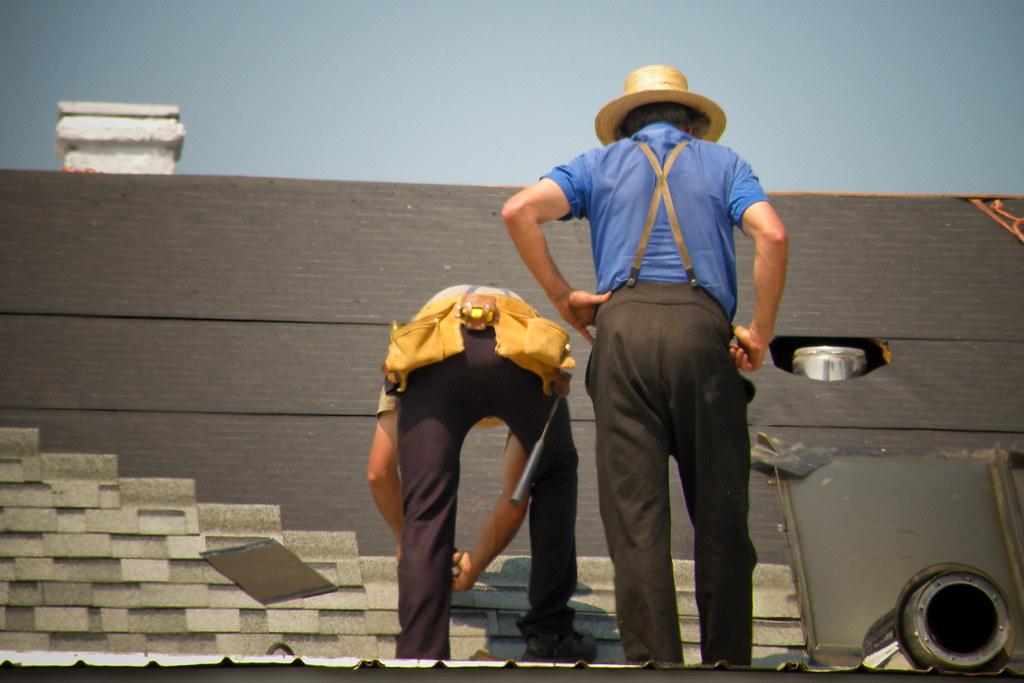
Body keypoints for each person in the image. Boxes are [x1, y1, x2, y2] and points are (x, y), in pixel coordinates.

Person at [501, 65, 789, 665]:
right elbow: (774, 237)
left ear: (625, 124)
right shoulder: (725, 164)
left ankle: (656, 669)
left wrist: (562, 298)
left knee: (637, 528)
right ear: (692, 123)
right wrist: (758, 332)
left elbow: (517, 211)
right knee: (721, 519)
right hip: (702, 336)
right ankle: (729, 666)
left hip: (622, 335)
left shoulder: (596, 165)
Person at [371, 284, 597, 662]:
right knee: (554, 468)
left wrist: (412, 545)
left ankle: (418, 659)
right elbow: (516, 498)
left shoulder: (409, 354)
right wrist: (475, 564)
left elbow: (379, 473)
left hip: (433, 351)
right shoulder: (522, 356)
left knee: (426, 511)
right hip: (520, 349)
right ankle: (551, 633)